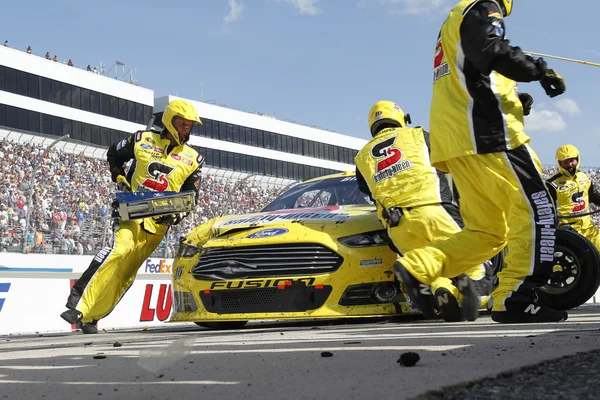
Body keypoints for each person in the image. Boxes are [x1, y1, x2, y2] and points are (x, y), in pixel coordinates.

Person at [394, 0, 568, 323]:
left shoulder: (455, 18)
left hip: (457, 140)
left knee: (488, 232)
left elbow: (475, 73)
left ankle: (419, 267)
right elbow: (490, 50)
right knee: (537, 207)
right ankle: (516, 296)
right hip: (486, 135)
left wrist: (517, 99)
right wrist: (538, 70)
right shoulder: (483, 7)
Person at [60, 99, 205, 334]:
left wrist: (177, 216)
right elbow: (113, 155)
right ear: (170, 120)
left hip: (158, 226)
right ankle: (77, 306)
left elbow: (191, 196)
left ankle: (91, 317)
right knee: (118, 251)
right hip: (131, 213)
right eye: (182, 123)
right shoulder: (141, 139)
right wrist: (118, 177)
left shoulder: (194, 159)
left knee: (126, 273)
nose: (186, 128)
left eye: (190, 125)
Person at [354, 100, 495, 322]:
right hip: (434, 209)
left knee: (432, 266)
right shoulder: (418, 135)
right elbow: (451, 157)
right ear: (401, 117)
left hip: (398, 226)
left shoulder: (361, 157)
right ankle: (471, 289)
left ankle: (443, 289)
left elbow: (365, 189)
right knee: (474, 256)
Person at [547, 144, 600, 251]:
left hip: (589, 228)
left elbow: (594, 196)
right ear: (559, 162)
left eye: (572, 160)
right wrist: (558, 224)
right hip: (569, 231)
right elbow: (546, 210)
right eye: (565, 162)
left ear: (577, 159)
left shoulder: (583, 176)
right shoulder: (551, 183)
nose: (570, 164)